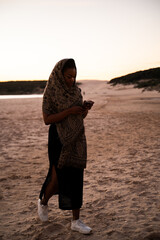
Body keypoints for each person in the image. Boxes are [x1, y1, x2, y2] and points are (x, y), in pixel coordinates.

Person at [38, 58, 94, 234]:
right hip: (57, 139)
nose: (71, 80)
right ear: (60, 74)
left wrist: (83, 110)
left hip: (77, 138)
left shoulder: (76, 92)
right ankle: (43, 202)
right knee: (56, 181)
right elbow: (47, 119)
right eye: (68, 76)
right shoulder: (51, 92)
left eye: (74, 77)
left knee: (76, 177)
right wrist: (69, 111)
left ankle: (76, 221)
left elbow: (78, 118)